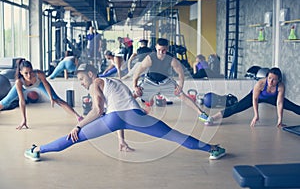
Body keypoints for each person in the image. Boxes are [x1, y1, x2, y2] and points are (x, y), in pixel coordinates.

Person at [24, 63, 226, 161]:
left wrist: (78, 124)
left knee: (74, 137)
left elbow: (98, 110)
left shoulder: (96, 83)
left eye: (82, 79)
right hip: (134, 117)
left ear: (91, 74)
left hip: (115, 119)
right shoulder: (114, 82)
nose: (82, 83)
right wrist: (121, 140)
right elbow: (123, 106)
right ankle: (212, 149)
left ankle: (37, 150)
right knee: (175, 135)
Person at [132, 38, 211, 122]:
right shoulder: (150, 58)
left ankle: (201, 114)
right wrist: (135, 86)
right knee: (135, 95)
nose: (161, 53)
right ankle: (122, 111)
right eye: (159, 50)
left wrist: (180, 87)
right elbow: (137, 72)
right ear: (155, 47)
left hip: (165, 82)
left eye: (163, 50)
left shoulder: (171, 59)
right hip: (150, 82)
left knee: (181, 95)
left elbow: (181, 74)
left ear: (167, 49)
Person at [0, 59, 83, 129]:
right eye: (26, 73)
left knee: (57, 99)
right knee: (6, 101)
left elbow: (46, 84)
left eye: (30, 72)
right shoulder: (19, 82)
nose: (29, 75)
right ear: (21, 72)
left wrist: (51, 97)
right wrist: (24, 119)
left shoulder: (39, 74)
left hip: (39, 84)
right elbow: (22, 101)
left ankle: (78, 117)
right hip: (23, 86)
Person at [207, 67, 300, 127]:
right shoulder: (260, 84)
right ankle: (213, 118)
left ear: (278, 79)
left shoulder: (280, 86)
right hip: (257, 97)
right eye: (269, 78)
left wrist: (280, 119)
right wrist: (256, 115)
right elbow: (255, 99)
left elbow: (279, 103)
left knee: (292, 106)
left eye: (274, 80)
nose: (271, 82)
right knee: (236, 107)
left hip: (272, 98)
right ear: (267, 77)